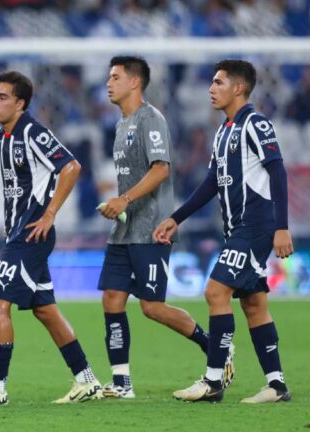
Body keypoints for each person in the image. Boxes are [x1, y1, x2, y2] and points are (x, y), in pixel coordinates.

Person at [154, 59, 293, 403]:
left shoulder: (255, 124)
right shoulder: (224, 131)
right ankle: (276, 385)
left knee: (216, 292)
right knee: (254, 304)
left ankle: (213, 380)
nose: (211, 88)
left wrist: (282, 227)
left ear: (239, 88)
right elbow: (211, 183)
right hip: (237, 230)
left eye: (218, 82)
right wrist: (177, 217)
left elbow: (278, 172)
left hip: (255, 225)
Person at [97, 56, 231, 399]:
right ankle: (121, 383)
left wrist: (123, 200)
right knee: (112, 300)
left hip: (151, 228)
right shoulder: (121, 124)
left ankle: (216, 348)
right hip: (124, 230)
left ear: (134, 83)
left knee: (152, 307)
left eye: (115, 77)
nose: (108, 83)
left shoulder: (150, 120)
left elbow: (160, 169)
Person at [0, 71, 102, 405]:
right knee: (46, 310)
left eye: (3, 97)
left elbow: (71, 167)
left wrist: (49, 214)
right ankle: (87, 380)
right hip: (19, 232)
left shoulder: (32, 131)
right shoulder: (2, 136)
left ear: (20, 103)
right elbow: (17, 187)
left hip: (32, 232)